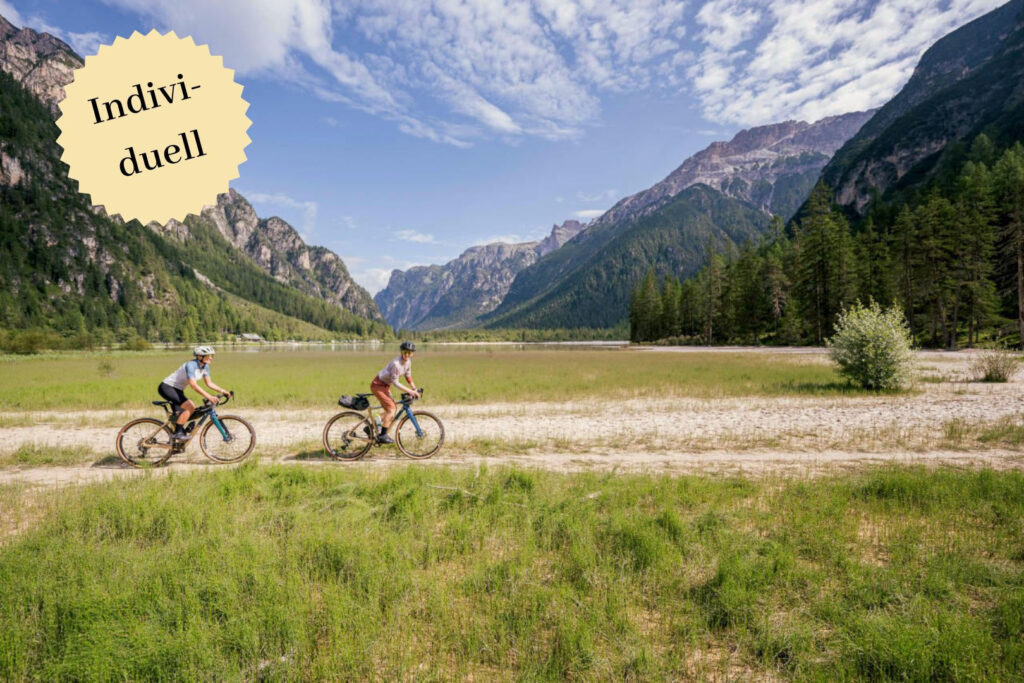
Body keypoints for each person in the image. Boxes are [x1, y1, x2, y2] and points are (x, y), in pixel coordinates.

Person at [158, 345, 231, 442]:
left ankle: (178, 438)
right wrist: (209, 396)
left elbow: (209, 383)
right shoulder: (191, 365)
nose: (210, 358)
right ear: (199, 356)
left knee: (185, 413)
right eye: (208, 355)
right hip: (167, 387)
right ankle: (177, 433)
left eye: (211, 355)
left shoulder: (205, 367)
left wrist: (223, 391)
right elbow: (193, 385)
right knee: (190, 406)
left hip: (178, 390)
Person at [370, 341, 420, 444]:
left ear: (412, 354)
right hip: (378, 386)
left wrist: (414, 388)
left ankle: (371, 426)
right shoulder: (396, 364)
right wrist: (410, 391)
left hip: (385, 386)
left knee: (393, 409)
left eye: (410, 353)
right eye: (405, 352)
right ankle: (382, 435)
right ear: (401, 352)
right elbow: (396, 383)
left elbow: (408, 375)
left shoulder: (408, 362)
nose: (407, 355)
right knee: (391, 409)